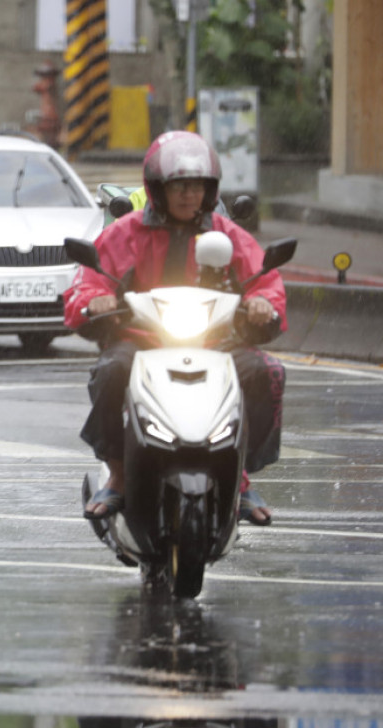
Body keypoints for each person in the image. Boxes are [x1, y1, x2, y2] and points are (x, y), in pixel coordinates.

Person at [64, 131, 286, 526]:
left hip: (216, 341)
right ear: (158, 188)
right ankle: (118, 471)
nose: (189, 195)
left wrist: (262, 303)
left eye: (197, 186)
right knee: (111, 370)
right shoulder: (126, 231)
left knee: (266, 372)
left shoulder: (227, 233)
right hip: (142, 341)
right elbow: (90, 279)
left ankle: (241, 477)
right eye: (179, 186)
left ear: (210, 189)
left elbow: (262, 280)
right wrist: (93, 300)